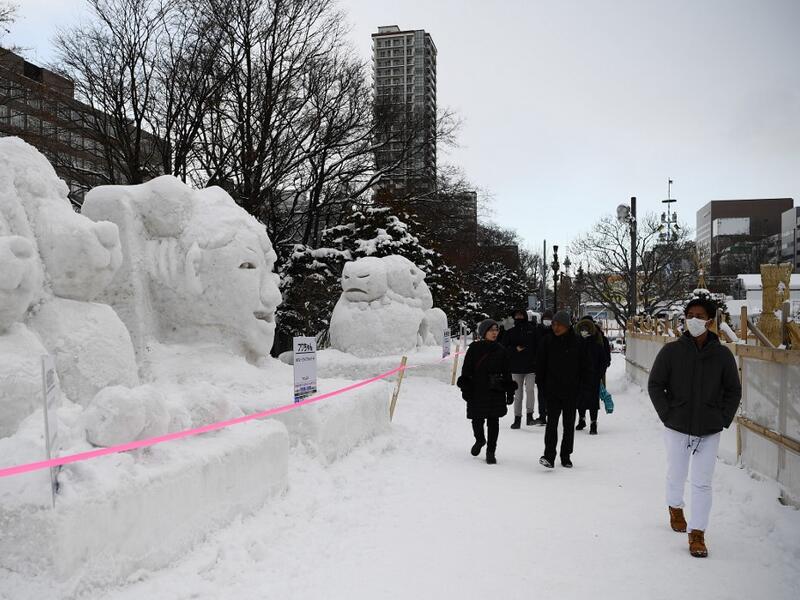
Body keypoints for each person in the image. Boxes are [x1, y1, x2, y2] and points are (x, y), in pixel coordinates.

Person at [647, 298, 741, 558]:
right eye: (690, 315)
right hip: (677, 426)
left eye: (699, 315)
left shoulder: (722, 355)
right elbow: (655, 384)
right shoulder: (671, 352)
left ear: (710, 321)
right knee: (677, 473)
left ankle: (697, 533)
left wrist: (722, 418)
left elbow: (733, 390)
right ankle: (675, 507)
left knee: (702, 482)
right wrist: (667, 414)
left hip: (709, 429)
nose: (693, 320)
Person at [457, 319, 517, 465]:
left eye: (496, 330)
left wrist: (509, 391)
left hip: (495, 390)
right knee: (477, 419)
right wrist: (466, 388)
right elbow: (467, 369)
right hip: (477, 390)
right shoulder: (474, 348)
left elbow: (507, 372)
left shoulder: (501, 350)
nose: (494, 333)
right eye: (491, 330)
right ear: (484, 332)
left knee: (493, 422)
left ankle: (491, 452)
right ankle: (480, 440)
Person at [536, 310, 591, 469]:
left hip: (571, 390)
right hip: (552, 389)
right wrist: (542, 386)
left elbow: (585, 367)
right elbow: (540, 365)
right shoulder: (547, 341)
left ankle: (566, 456)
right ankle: (549, 456)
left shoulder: (578, 342)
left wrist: (583, 387)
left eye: (559, 324)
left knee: (568, 424)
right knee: (551, 424)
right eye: (554, 324)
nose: (555, 327)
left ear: (567, 325)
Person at [503, 309, 541, 429]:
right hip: (515, 367)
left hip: (531, 367)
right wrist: (515, 349)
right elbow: (504, 349)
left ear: (525, 316)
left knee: (530, 391)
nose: (519, 317)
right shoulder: (510, 332)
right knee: (518, 394)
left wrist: (536, 361)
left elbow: (538, 347)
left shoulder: (533, 330)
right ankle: (517, 418)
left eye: (521, 315)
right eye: (517, 315)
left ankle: (530, 416)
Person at [574, 316, 611, 435]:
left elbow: (603, 360)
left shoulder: (596, 342)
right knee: (580, 400)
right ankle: (582, 419)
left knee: (593, 401)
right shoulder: (577, 342)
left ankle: (593, 422)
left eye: (586, 329)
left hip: (593, 376)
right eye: (582, 329)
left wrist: (599, 374)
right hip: (579, 377)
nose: (584, 331)